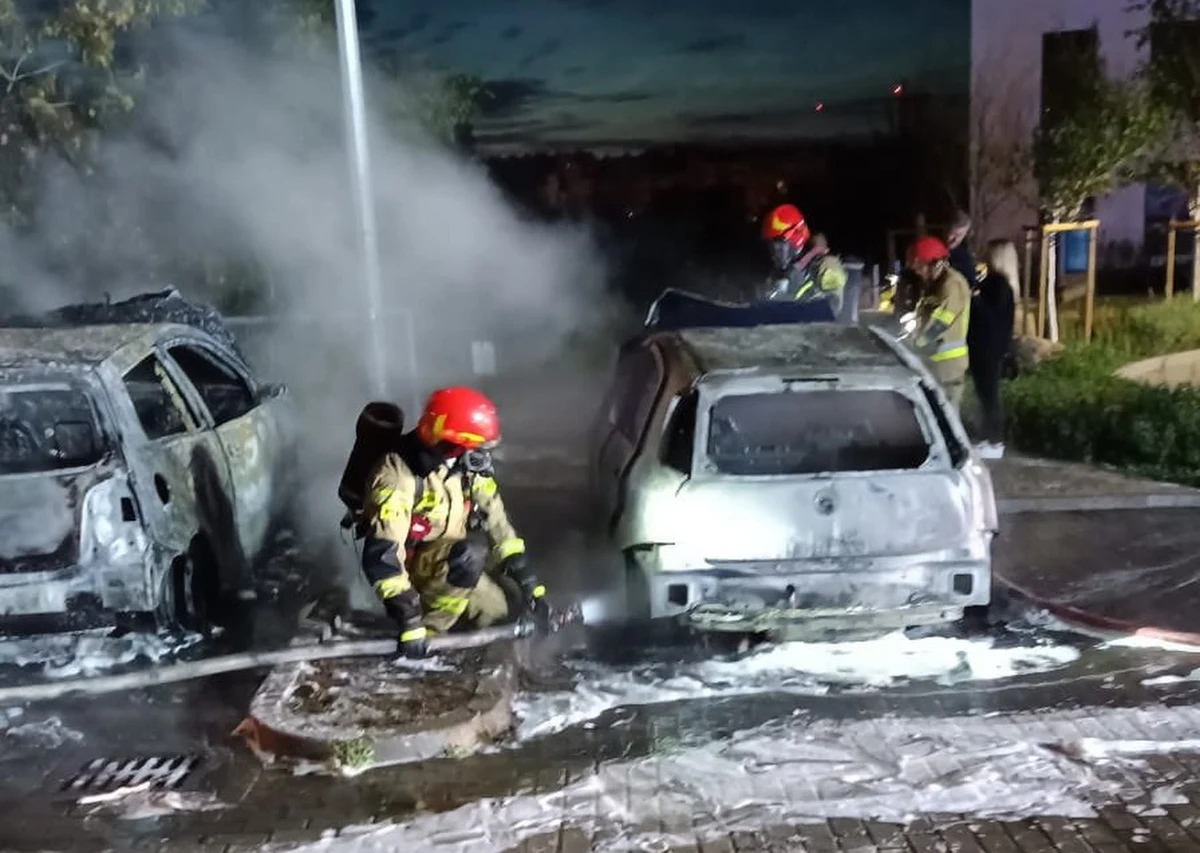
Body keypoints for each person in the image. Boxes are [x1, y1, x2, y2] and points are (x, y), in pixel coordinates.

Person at [357, 387, 551, 658]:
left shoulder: (466, 469)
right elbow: (383, 555)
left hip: (452, 566)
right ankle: (432, 631)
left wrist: (532, 588)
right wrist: (410, 622)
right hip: (414, 572)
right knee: (471, 555)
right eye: (477, 447)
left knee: (498, 615)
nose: (482, 456)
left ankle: (450, 621)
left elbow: (499, 528)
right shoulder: (397, 476)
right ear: (454, 443)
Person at [906, 235, 972, 410]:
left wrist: (915, 345)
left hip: (949, 368)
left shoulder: (952, 284)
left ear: (935, 262)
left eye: (919, 266)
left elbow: (940, 324)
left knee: (948, 418)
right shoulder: (934, 284)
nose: (917, 271)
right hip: (933, 363)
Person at [968, 239, 1018, 458]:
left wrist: (975, 301)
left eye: (988, 252)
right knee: (986, 394)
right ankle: (990, 439)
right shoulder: (1002, 283)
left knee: (989, 396)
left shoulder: (998, 285)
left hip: (988, 348)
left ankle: (995, 442)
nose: (984, 256)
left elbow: (990, 317)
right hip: (992, 347)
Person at [761, 204, 847, 315]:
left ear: (796, 238)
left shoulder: (825, 267)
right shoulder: (777, 274)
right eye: (771, 246)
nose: (775, 252)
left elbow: (831, 312)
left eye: (779, 244)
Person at [945, 210, 981, 289]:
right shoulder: (934, 249)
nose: (955, 239)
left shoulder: (965, 257)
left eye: (960, 235)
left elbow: (971, 284)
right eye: (953, 234)